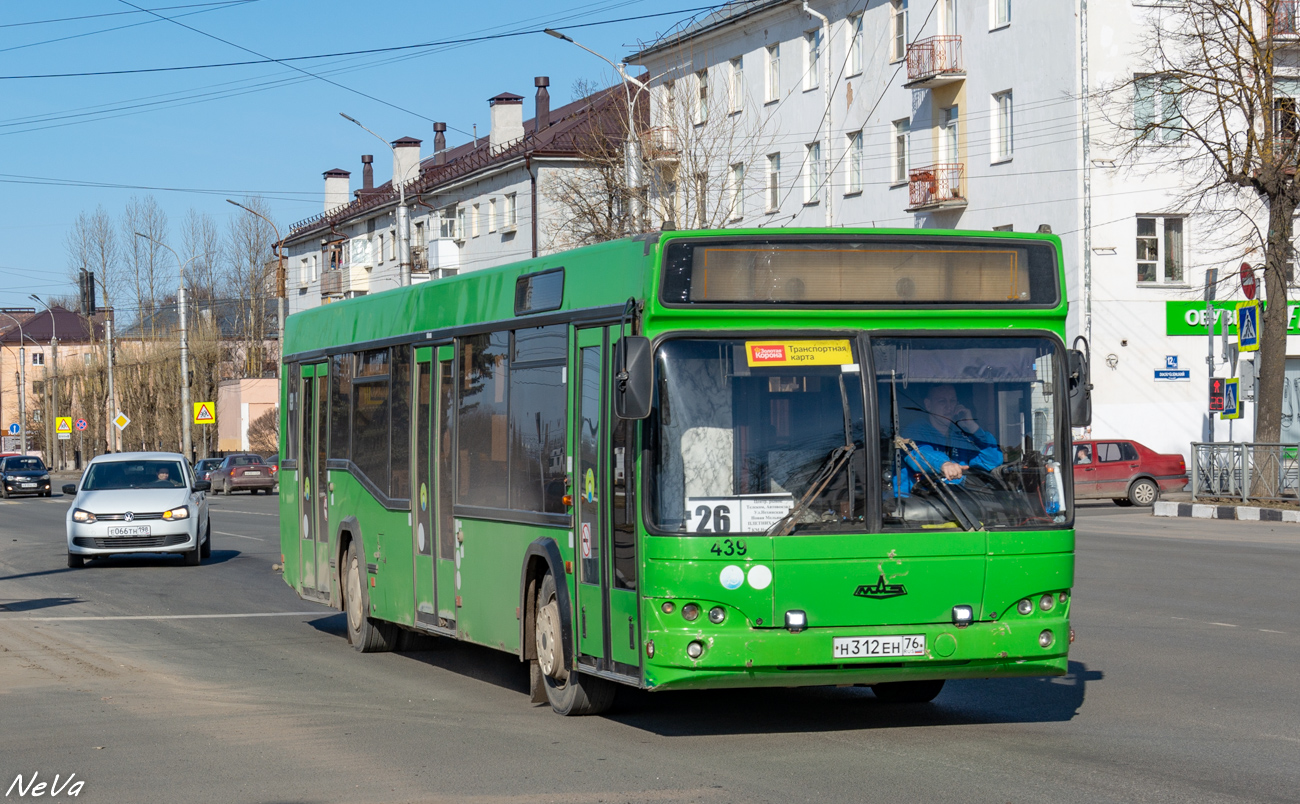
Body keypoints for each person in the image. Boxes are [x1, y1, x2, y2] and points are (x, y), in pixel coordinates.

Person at [896, 384, 1003, 496]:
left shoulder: (960, 435)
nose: (949, 407)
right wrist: (944, 464)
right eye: (942, 401)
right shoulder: (916, 431)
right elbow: (919, 453)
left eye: (952, 401)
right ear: (928, 404)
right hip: (919, 504)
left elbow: (993, 460)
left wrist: (972, 426)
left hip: (958, 504)